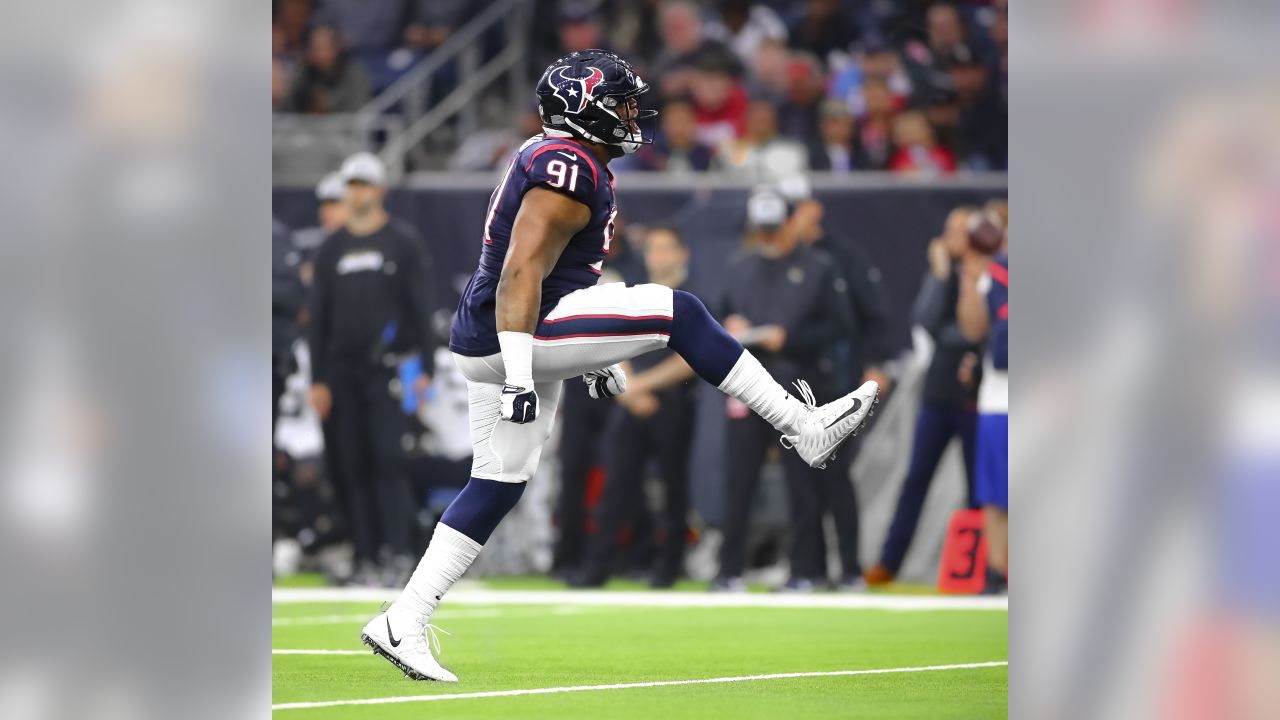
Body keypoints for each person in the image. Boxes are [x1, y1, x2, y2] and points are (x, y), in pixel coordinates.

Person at [360, 50, 879, 682]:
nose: (632, 115)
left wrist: (595, 350)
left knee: (499, 481)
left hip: (507, 329)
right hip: (514, 332)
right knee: (680, 311)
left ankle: (403, 618)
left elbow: (553, 269)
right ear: (584, 110)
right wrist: (525, 371)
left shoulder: (565, 160)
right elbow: (522, 270)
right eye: (619, 103)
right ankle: (801, 427)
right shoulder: (567, 165)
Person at [712, 187, 858, 593]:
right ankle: (728, 571)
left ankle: (805, 571)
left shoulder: (819, 267)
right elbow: (719, 317)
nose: (768, 237)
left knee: (804, 483)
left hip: (802, 385)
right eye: (762, 230)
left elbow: (840, 326)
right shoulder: (740, 267)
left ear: (790, 224)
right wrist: (732, 327)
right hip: (749, 385)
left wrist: (791, 338)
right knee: (738, 479)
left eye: (774, 229)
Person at [308, 151, 437, 587]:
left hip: (387, 370)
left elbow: (421, 308)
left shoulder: (402, 242)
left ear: (380, 190)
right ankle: (365, 557)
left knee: (388, 461)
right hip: (341, 375)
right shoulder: (331, 248)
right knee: (351, 465)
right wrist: (318, 380)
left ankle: (398, 555)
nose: (355, 192)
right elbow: (319, 320)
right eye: (350, 184)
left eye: (362, 184)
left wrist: (427, 367)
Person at [571, 227, 699, 589]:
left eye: (665, 248)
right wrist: (629, 388)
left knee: (673, 486)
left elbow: (691, 359)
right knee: (616, 484)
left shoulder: (693, 298)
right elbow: (614, 341)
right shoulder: (637, 296)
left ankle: (669, 567)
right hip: (630, 399)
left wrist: (640, 385)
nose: (657, 256)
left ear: (681, 253)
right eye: (653, 249)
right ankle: (597, 567)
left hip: (673, 401)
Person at [865, 206, 984, 585]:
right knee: (916, 477)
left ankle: (988, 566)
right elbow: (928, 320)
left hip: (976, 394)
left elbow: (981, 332)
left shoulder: (990, 275)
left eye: (961, 229)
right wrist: (940, 274)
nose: (951, 236)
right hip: (939, 390)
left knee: (979, 483)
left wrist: (963, 337)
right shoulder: (946, 274)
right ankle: (890, 561)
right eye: (949, 228)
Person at [958, 229, 1008, 594]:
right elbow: (973, 329)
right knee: (994, 492)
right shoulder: (997, 272)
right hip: (999, 395)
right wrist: (970, 282)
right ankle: (996, 569)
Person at [284, 25, 372, 114]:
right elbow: (288, 106)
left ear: (335, 48)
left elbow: (360, 109)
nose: (318, 55)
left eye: (323, 48)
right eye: (314, 49)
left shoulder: (355, 73)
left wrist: (327, 105)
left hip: (344, 124)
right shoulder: (305, 73)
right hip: (305, 126)